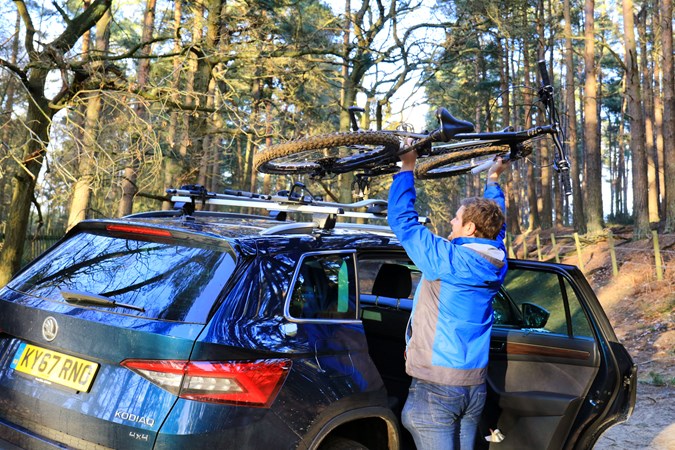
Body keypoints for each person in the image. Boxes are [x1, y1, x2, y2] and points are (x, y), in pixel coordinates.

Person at [387, 148, 509, 450]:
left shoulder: (448, 260)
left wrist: (408, 168)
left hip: (437, 388)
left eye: (456, 219)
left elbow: (402, 221)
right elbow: (497, 224)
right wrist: (493, 179)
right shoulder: (497, 258)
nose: (452, 224)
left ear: (470, 228)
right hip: (473, 388)